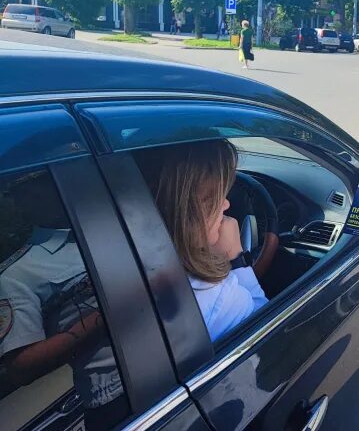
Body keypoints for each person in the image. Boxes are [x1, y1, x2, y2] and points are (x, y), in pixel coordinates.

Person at [0, 171, 128, 428]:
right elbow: (20, 367)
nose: (57, 186)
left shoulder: (109, 223)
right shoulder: (17, 274)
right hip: (115, 392)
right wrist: (101, 318)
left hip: (174, 353)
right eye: (41, 182)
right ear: (20, 197)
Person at [136, 139, 278, 342]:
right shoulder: (215, 297)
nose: (227, 204)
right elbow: (266, 329)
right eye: (215, 198)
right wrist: (236, 258)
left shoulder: (106, 248)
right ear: (187, 212)